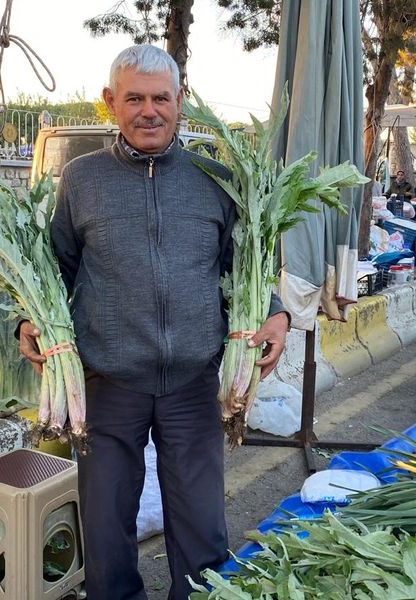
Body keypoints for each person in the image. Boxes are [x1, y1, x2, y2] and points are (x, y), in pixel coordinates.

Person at [18, 45, 290, 600]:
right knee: (106, 528)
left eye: (161, 98)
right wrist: (28, 321)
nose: (149, 111)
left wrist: (277, 313)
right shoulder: (81, 179)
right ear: (110, 103)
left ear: (180, 102)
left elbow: (246, 266)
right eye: (135, 98)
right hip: (108, 380)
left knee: (201, 525)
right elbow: (57, 267)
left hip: (194, 381)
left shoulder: (216, 180)